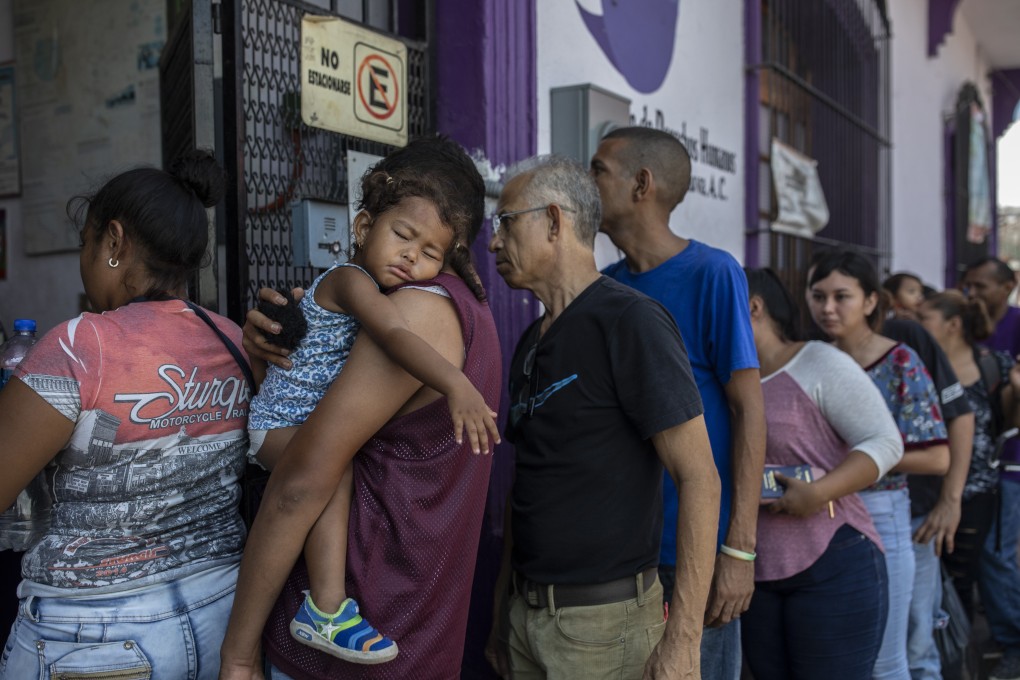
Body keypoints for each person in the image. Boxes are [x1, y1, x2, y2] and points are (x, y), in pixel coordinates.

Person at [218, 135, 501, 680]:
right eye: (402, 235)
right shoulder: (473, 315)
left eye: (427, 249)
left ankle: (323, 606)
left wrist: (239, 653)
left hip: (354, 640)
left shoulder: (417, 313)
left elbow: (301, 485)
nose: (410, 256)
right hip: (419, 636)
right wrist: (271, 356)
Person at [0, 151, 250, 680]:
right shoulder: (234, 342)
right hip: (223, 619)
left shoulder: (77, 346)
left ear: (112, 242)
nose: (83, 261)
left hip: (93, 640)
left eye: (85, 244)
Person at [484, 154, 720, 680]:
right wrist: (503, 612)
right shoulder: (529, 341)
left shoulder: (631, 321)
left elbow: (699, 475)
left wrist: (683, 638)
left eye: (504, 222)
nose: (494, 242)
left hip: (604, 627)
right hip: (528, 618)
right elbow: (529, 483)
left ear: (553, 220)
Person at [591, 126, 766, 680]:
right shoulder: (605, 286)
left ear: (641, 184)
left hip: (691, 548)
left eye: (598, 170)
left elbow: (747, 410)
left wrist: (737, 550)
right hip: (619, 554)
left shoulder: (712, 273)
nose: (585, 180)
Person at [741, 267, 903, 680]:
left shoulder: (817, 361)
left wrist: (819, 493)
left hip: (834, 562)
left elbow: (884, 442)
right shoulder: (725, 380)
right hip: (752, 573)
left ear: (754, 307)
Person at [807, 250, 950, 680]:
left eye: (842, 296)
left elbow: (937, 456)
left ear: (872, 301)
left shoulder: (900, 361)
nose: (827, 308)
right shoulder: (809, 357)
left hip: (883, 515)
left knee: (887, 662)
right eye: (817, 296)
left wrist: (857, 462)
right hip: (817, 515)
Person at [963, 257, 1020, 680]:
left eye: (982, 286)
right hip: (975, 465)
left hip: (1011, 461)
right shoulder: (967, 325)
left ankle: (1013, 642)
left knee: (998, 554)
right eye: (969, 286)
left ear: (1009, 286)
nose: (974, 294)